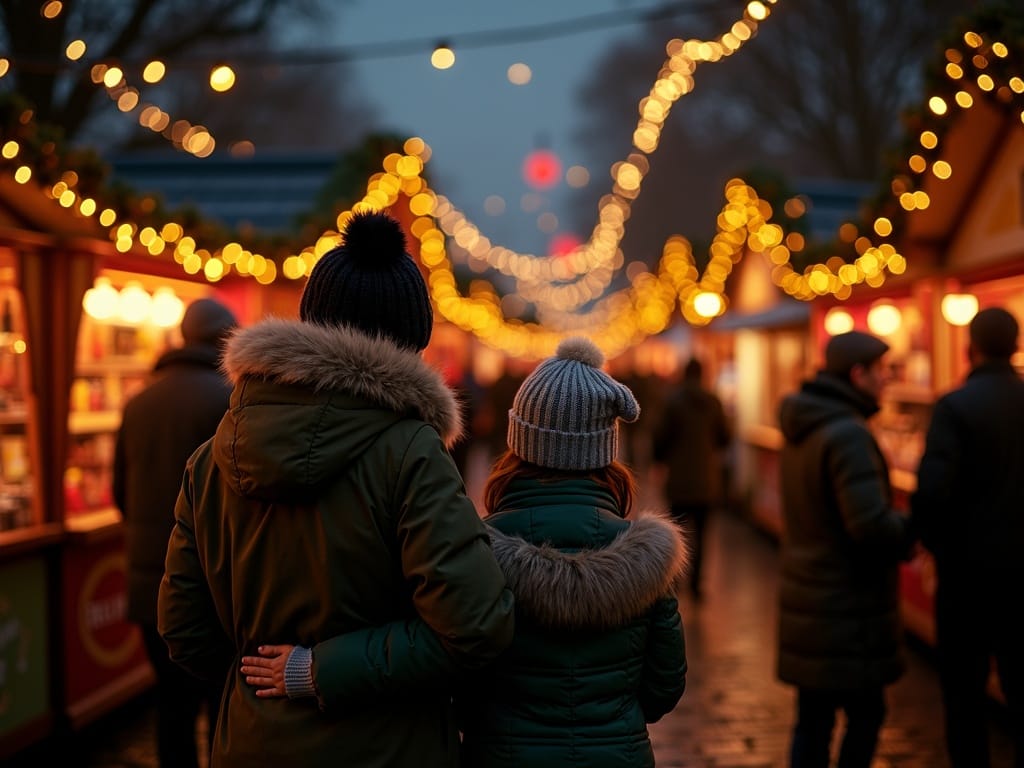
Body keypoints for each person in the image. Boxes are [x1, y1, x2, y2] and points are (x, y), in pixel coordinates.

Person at [157, 210, 515, 768]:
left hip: (253, 744)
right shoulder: (411, 453)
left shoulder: (210, 458)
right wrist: (324, 670)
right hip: (388, 745)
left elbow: (183, 628)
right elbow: (473, 626)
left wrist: (264, 688)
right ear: (409, 341)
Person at [241, 336, 688, 768]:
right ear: (607, 456)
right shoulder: (648, 559)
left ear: (519, 448)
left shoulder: (474, 547)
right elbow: (663, 686)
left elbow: (442, 665)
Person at [776, 330, 914, 768]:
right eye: (882, 371)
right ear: (859, 374)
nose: (888, 380)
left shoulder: (806, 426)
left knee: (812, 722)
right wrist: (911, 531)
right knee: (866, 715)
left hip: (810, 596)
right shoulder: (848, 434)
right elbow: (869, 526)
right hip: (847, 607)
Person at [112, 297, 236, 768]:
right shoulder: (228, 400)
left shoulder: (139, 401)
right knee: (220, 705)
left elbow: (120, 491)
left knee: (171, 706)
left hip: (148, 583)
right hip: (211, 582)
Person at [911, 306, 1023, 768]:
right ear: (1015, 347)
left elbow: (933, 492)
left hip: (967, 579)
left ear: (969, 347)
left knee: (964, 698)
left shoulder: (954, 406)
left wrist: (936, 549)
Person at [652, 356, 730, 598]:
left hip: (679, 479)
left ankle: (676, 580)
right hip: (707, 479)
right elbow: (725, 437)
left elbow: (660, 438)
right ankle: (697, 584)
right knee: (703, 533)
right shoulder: (713, 402)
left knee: (677, 531)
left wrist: (660, 461)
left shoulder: (673, 401)